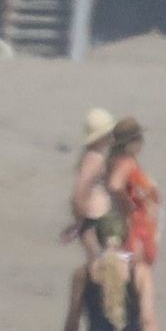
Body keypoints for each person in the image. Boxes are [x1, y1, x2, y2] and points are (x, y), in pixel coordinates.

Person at [62, 108, 118, 261]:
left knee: (98, 259)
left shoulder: (92, 156)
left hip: (94, 217)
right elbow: (80, 190)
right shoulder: (94, 159)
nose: (111, 137)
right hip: (93, 217)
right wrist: (79, 221)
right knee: (97, 260)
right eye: (108, 134)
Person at [106, 117, 161, 266]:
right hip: (137, 224)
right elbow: (115, 185)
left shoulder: (117, 160)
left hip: (139, 220)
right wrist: (128, 204)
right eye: (139, 139)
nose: (142, 143)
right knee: (139, 266)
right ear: (130, 143)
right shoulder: (126, 163)